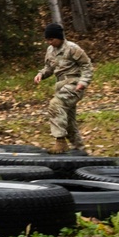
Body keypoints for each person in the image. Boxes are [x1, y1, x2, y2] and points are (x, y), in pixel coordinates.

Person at [33, 23, 93, 155]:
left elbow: (87, 66)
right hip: (61, 86)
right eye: (47, 40)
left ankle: (60, 141)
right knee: (69, 123)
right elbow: (49, 68)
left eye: (52, 39)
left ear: (59, 37)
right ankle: (81, 153)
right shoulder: (50, 50)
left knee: (55, 105)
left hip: (74, 85)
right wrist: (41, 74)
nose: (49, 42)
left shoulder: (72, 48)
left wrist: (83, 82)